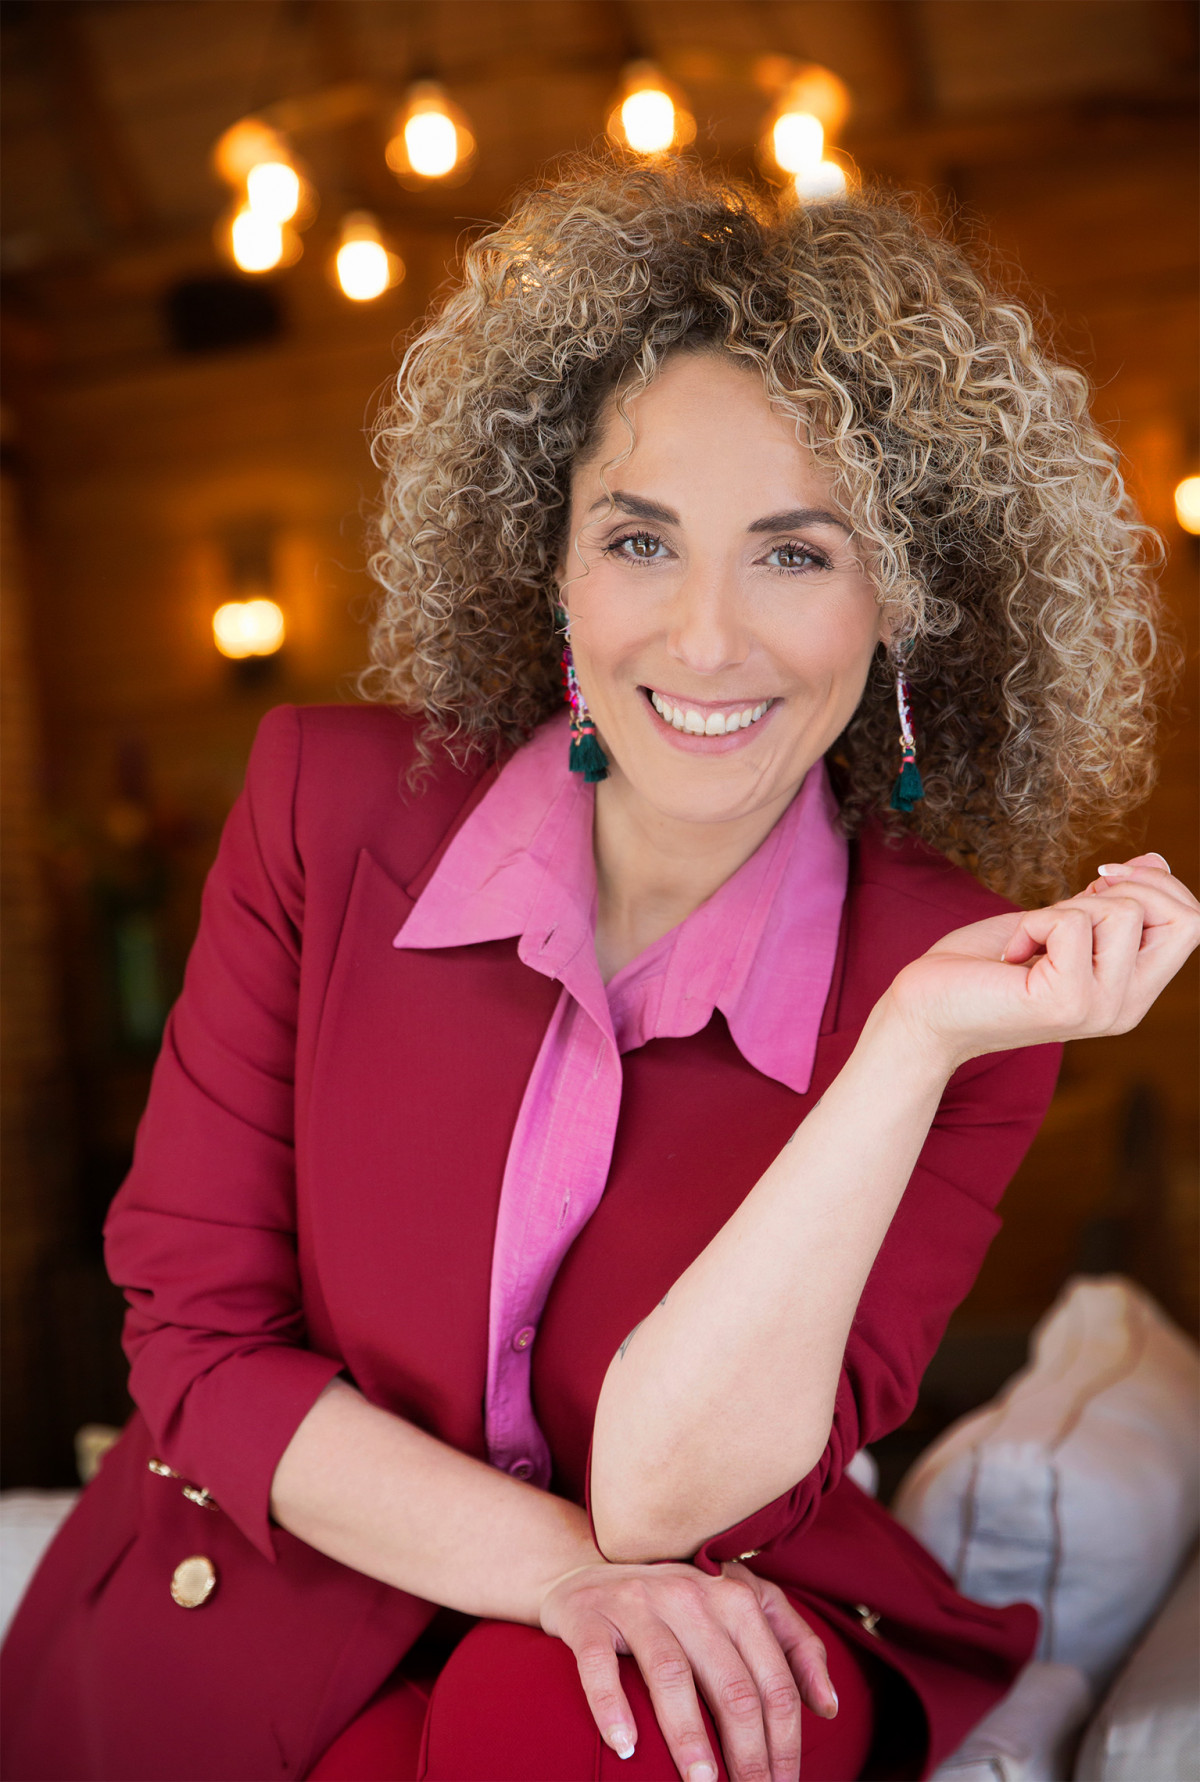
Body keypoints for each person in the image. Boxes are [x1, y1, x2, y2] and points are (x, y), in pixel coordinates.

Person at [2, 157, 1195, 1782]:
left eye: (795, 554)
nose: (704, 638)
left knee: (594, 1716)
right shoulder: (320, 809)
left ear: (907, 598)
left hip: (706, 1608)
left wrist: (909, 1041)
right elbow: (198, 1340)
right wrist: (558, 1574)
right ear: (550, 562)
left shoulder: (964, 985)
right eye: (640, 539)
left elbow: (663, 1503)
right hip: (282, 1581)